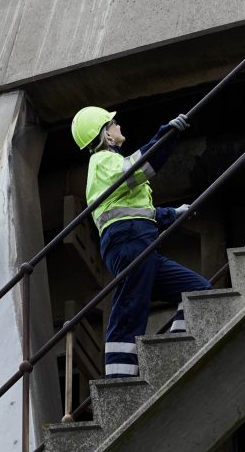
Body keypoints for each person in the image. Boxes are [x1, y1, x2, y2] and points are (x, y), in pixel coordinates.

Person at [71, 106, 211, 378]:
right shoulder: (103, 161)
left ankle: (172, 348)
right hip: (129, 243)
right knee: (131, 306)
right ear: (106, 136)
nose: (118, 125)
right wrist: (166, 134)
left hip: (140, 243)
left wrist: (174, 214)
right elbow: (141, 166)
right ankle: (118, 379)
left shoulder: (108, 167)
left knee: (199, 291)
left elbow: (139, 212)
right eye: (113, 123)